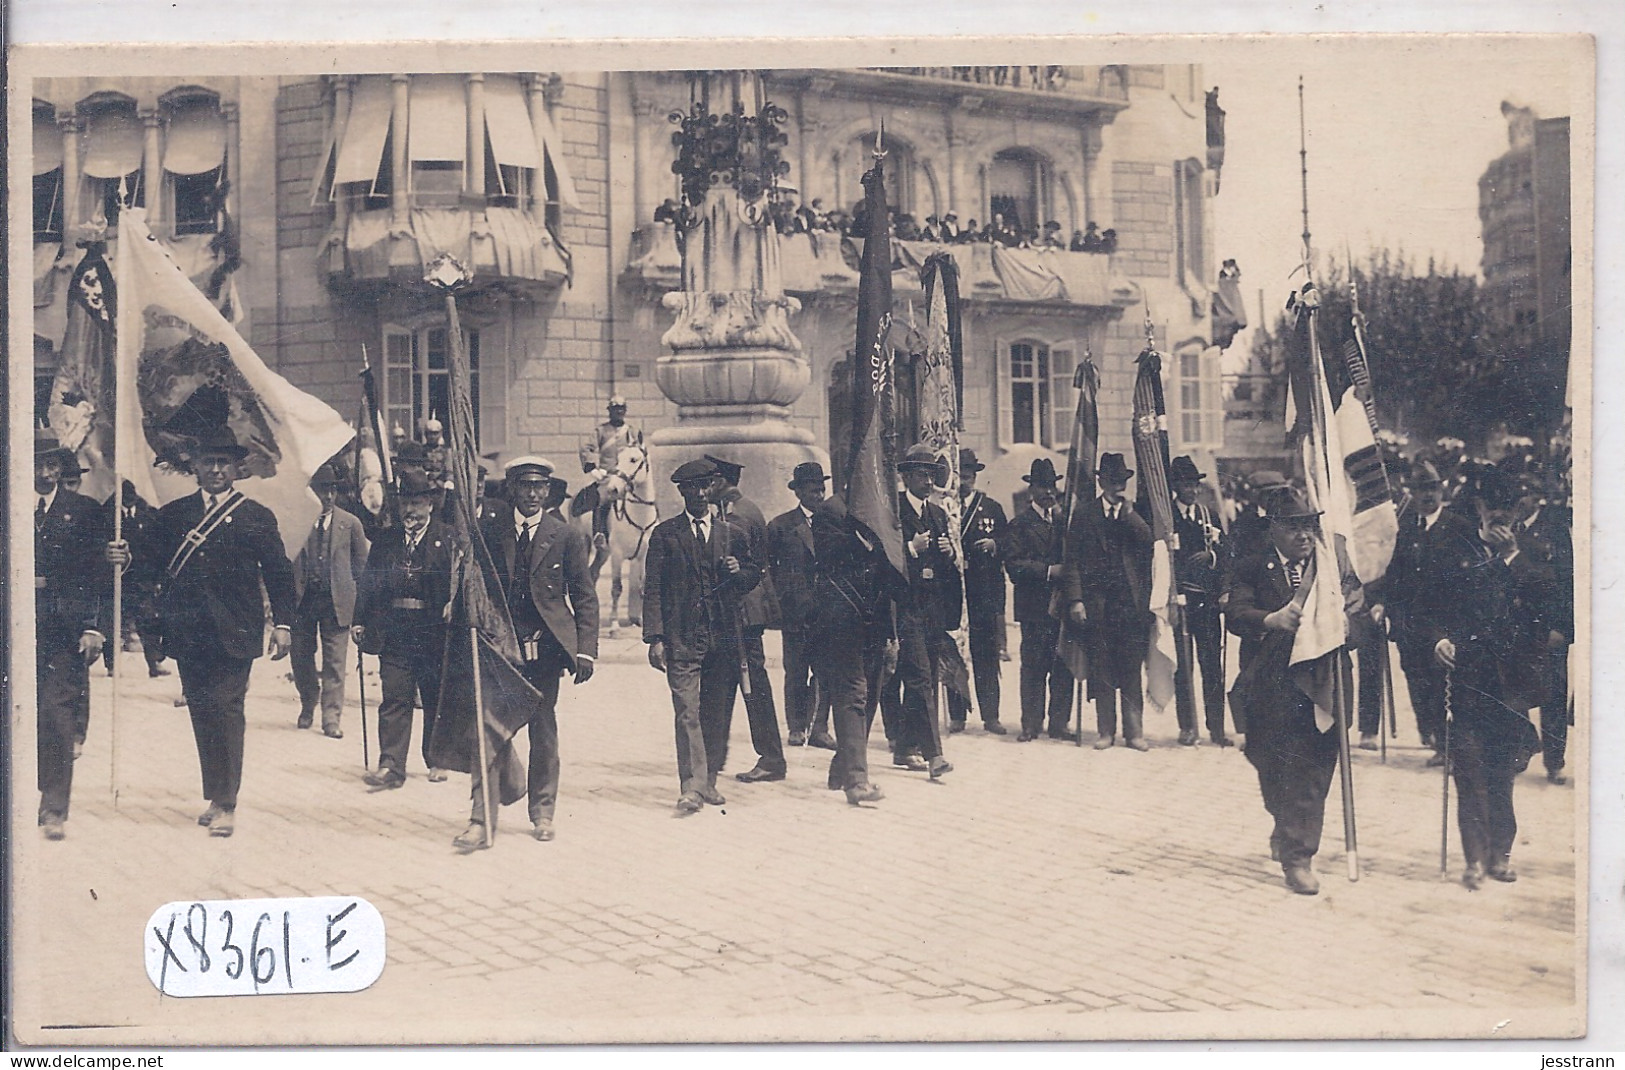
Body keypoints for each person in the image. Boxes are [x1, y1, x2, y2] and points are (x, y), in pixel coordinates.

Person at [108, 425, 297, 838]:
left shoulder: (255, 516)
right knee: (203, 711)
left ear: (236, 468)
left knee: (227, 709)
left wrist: (283, 623)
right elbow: (150, 566)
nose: (216, 470)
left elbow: (280, 574)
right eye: (208, 462)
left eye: (224, 463)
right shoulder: (175, 515)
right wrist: (125, 558)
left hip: (237, 630)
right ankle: (215, 795)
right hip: (189, 631)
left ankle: (227, 801)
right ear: (195, 467)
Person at [452, 457, 599, 849]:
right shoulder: (490, 532)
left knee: (543, 730)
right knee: (489, 731)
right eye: (525, 486)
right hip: (500, 649)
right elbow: (474, 584)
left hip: (546, 650)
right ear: (513, 489)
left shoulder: (565, 536)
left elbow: (584, 596)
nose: (533, 494)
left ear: (548, 492)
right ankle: (481, 820)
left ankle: (543, 811)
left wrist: (586, 651)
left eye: (540, 487)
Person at [1226, 486, 1366, 895]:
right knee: (1270, 764)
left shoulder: (1333, 569)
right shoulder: (1254, 564)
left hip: (1323, 682)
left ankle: (1299, 854)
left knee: (1312, 768)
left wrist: (1345, 626)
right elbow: (1236, 613)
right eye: (1294, 528)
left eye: (1309, 526)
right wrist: (1270, 619)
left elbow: (1362, 622)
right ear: (1273, 529)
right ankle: (1284, 822)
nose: (1305, 536)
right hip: (1269, 684)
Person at [1417, 467, 1546, 889]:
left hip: (1509, 683)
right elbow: (1428, 604)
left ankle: (1500, 854)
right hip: (1466, 679)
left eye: (1509, 512)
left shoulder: (1530, 550)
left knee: (1501, 773)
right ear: (1477, 508)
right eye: (1494, 511)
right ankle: (1473, 858)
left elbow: (1541, 608)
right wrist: (1437, 639)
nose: (1501, 520)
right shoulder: (1451, 544)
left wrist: (1509, 560)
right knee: (1468, 770)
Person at [642, 459, 763, 813]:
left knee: (715, 711)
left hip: (724, 637)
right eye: (690, 488)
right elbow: (653, 589)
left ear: (712, 489)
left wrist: (740, 572)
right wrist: (655, 638)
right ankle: (691, 786)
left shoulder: (732, 533)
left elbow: (755, 574)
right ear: (681, 492)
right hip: (682, 637)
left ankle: (707, 780)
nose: (697, 494)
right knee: (686, 711)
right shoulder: (665, 534)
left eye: (704, 487)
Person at [353, 469, 455, 790]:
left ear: (430, 505)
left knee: (434, 695)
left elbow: (459, 583)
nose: (410, 510)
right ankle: (391, 765)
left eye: (417, 503)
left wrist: (457, 607)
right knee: (395, 695)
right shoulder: (386, 540)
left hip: (433, 629)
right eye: (405, 504)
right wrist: (359, 619)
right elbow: (368, 583)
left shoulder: (447, 539)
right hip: (394, 628)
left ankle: (437, 757)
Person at [35, 433, 107, 840]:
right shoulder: (9, 505)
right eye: (37, 465)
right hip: (16, 631)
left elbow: (96, 573)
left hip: (63, 630)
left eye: (52, 466)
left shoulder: (84, 511)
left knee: (55, 713)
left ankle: (54, 807)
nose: (45, 474)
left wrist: (93, 626)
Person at [1377, 461, 1472, 766]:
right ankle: (1430, 735)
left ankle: (1447, 745)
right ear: (1412, 494)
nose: (1427, 495)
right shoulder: (1406, 529)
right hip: (1411, 627)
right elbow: (1395, 575)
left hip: (1445, 625)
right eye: (1421, 490)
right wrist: (1384, 606)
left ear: (1441, 489)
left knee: (1442, 684)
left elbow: (1467, 582)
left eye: (1432, 488)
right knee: (1417, 681)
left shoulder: (1459, 527)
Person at [703, 454, 788, 785]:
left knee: (751, 686)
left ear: (722, 482)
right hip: (744, 610)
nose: (705, 490)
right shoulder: (741, 508)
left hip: (741, 611)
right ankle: (717, 755)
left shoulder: (737, 516)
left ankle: (770, 758)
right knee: (730, 682)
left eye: (709, 483)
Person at [805, 497, 893, 804]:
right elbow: (832, 557)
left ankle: (842, 768)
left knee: (870, 696)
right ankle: (857, 781)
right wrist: (868, 538)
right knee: (853, 694)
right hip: (841, 621)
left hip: (876, 622)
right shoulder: (831, 512)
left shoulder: (883, 508)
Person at [1062, 453, 1153, 750]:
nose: (1118, 487)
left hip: (1129, 604)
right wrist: (1076, 600)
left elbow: (1148, 542)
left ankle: (1134, 732)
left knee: (1130, 668)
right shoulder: (1085, 514)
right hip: (1097, 603)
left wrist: (1128, 515)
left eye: (1122, 482)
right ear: (1101, 481)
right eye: (1113, 482)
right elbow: (1072, 561)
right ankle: (1105, 731)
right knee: (1101, 669)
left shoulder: (1134, 512)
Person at [886, 445, 957, 778]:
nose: (928, 482)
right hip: (903, 608)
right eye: (921, 475)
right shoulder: (894, 512)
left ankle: (904, 747)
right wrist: (911, 550)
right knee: (920, 678)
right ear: (906, 477)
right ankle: (934, 755)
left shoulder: (938, 514)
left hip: (931, 610)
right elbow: (883, 559)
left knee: (917, 679)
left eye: (931, 475)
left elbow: (945, 570)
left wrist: (947, 553)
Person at [291, 464, 370, 739]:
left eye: (332, 490)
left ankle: (331, 717)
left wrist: (362, 609)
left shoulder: (351, 524)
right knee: (300, 658)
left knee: (335, 663)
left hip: (337, 601)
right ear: (310, 492)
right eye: (322, 490)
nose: (328, 496)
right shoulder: (297, 522)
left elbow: (363, 569)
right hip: (303, 601)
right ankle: (308, 700)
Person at [1003, 457, 1075, 742]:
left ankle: (1059, 722)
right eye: (1042, 487)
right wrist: (1049, 571)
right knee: (1033, 667)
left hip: (1061, 607)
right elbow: (1014, 566)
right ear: (1031, 490)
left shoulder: (1064, 523)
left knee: (1062, 667)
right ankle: (1030, 723)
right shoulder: (1019, 524)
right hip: (1034, 607)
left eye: (1052, 486)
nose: (1048, 492)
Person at [767, 462, 837, 749]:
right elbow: (768, 569)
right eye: (812, 490)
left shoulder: (835, 523)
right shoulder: (781, 526)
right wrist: (781, 602)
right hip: (795, 613)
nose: (819, 495)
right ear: (798, 493)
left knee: (825, 671)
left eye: (822, 489)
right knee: (795, 671)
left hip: (828, 612)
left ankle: (819, 727)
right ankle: (797, 727)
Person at [1513, 473, 1574, 785]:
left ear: (1537, 498)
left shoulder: (1554, 533)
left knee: (1552, 694)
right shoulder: (1507, 529)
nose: (1521, 502)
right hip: (1516, 627)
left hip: (1548, 627)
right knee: (1512, 689)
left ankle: (1555, 761)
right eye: (1516, 496)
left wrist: (1564, 629)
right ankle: (1522, 746)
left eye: (1527, 495)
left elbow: (1568, 582)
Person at [1169, 456, 1231, 747]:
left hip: (1206, 603)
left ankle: (1216, 728)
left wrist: (1213, 556)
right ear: (1175, 486)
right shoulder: (1166, 517)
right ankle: (1188, 726)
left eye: (1194, 485)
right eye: (1185, 485)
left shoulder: (1208, 516)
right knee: (1183, 667)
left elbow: (1227, 555)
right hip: (1180, 600)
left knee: (1212, 667)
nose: (1191, 491)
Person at [950, 448, 1010, 735]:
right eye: (961, 472)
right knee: (955, 654)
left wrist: (994, 545)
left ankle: (991, 715)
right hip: (954, 594)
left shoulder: (991, 508)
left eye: (970, 473)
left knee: (986, 655)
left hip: (983, 592)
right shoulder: (945, 508)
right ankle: (957, 715)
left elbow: (1009, 543)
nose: (966, 478)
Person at [578, 395, 643, 548]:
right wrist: (593, 468)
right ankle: (599, 534)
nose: (618, 412)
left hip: (626, 476)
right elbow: (586, 448)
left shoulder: (631, 431)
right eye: (615, 409)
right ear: (610, 411)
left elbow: (638, 452)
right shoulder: (601, 430)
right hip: (606, 475)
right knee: (602, 498)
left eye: (621, 409)